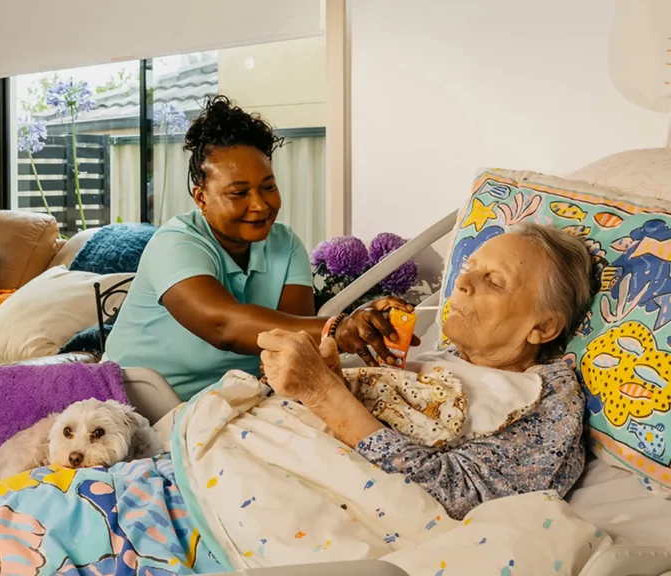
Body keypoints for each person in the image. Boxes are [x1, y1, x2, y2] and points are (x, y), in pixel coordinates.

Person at [258, 223, 593, 519]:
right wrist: (325, 376)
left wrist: (323, 393)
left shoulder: (546, 397)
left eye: (493, 281)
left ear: (544, 327)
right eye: (469, 267)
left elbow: (459, 495)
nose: (461, 281)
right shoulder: (445, 359)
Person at [103, 95, 415, 401]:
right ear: (201, 198)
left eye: (268, 187)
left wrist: (364, 323)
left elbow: (292, 343)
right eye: (239, 193)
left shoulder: (285, 244)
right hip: (139, 403)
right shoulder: (175, 243)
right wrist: (339, 328)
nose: (260, 204)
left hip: (232, 403)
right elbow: (223, 325)